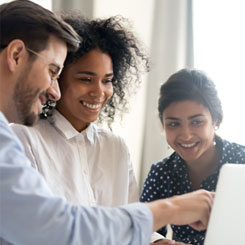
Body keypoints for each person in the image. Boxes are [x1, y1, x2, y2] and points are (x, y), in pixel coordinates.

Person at [0, 1, 214, 244]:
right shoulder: (19, 137)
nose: (54, 90)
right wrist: (172, 209)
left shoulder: (115, 147)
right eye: (53, 71)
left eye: (107, 80)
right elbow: (56, 228)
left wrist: (156, 241)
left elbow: (123, 224)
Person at [140, 68, 245, 245]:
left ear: (215, 120)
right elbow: (143, 231)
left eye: (197, 122)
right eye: (173, 124)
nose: (186, 135)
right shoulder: (160, 173)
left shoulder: (241, 160)